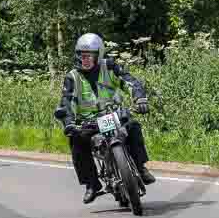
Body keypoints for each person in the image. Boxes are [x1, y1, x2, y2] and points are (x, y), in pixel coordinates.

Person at [55, 33, 156, 204]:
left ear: (99, 54)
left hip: (114, 114)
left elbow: (130, 82)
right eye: (81, 55)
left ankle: (140, 167)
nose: (84, 59)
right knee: (76, 141)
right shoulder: (72, 77)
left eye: (89, 55)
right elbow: (67, 102)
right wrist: (69, 122)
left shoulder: (109, 67)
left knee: (133, 127)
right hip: (89, 123)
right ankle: (91, 184)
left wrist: (140, 98)